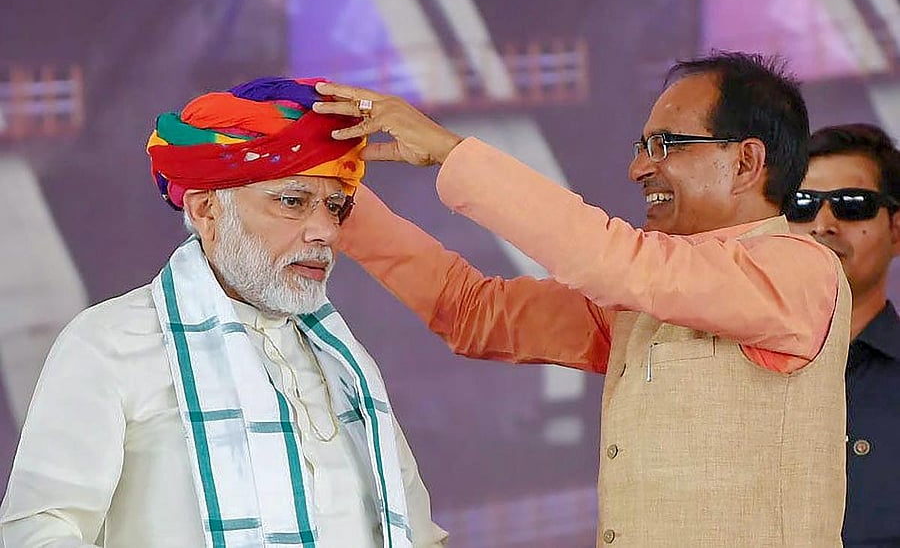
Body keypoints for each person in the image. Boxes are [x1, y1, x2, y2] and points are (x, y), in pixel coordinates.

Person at [311, 52, 851, 546]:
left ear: (745, 162)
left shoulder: (798, 269)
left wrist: (451, 154)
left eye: (664, 145)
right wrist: (336, 197)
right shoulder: (647, 291)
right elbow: (473, 311)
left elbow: (616, 262)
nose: (638, 169)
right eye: (641, 148)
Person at [0, 77, 448, 548]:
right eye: (293, 202)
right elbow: (39, 532)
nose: (326, 232)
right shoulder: (108, 342)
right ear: (206, 210)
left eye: (335, 206)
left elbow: (418, 532)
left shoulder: (344, 361)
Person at [785, 123, 900, 547]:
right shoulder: (732, 371)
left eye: (852, 205)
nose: (823, 223)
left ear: (896, 229)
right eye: (802, 204)